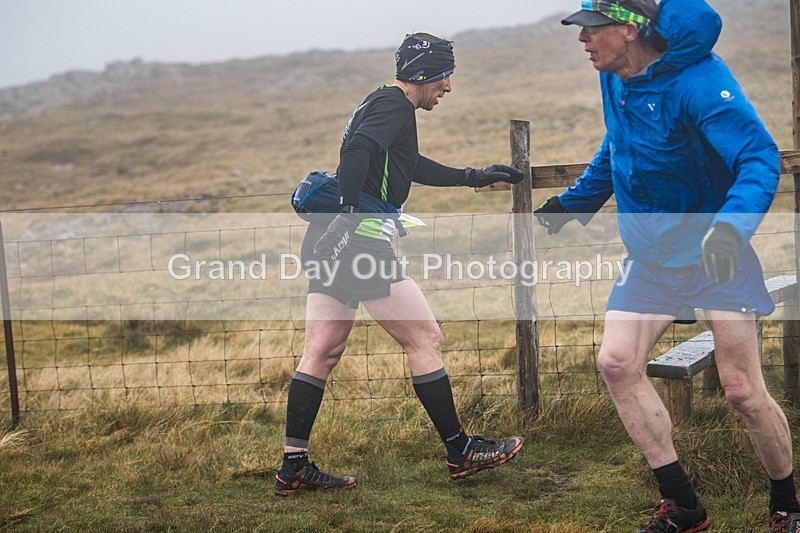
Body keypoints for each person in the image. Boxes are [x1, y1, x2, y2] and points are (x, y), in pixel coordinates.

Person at [535, 0, 799, 531]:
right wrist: (576, 201)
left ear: (630, 30)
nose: (582, 40)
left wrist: (729, 229)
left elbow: (759, 158)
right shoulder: (614, 78)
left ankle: (787, 505)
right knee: (616, 363)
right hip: (650, 256)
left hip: (713, 253)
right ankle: (684, 505)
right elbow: (621, 142)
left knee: (743, 390)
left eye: (593, 29)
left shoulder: (700, 81)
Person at [274, 32, 525, 496]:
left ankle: (293, 468)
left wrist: (473, 177)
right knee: (426, 337)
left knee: (323, 350)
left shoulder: (383, 104)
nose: (448, 87)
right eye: (446, 76)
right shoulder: (395, 106)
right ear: (425, 73)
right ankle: (460, 450)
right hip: (359, 244)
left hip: (330, 241)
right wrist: (349, 219)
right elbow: (356, 153)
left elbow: (407, 164)